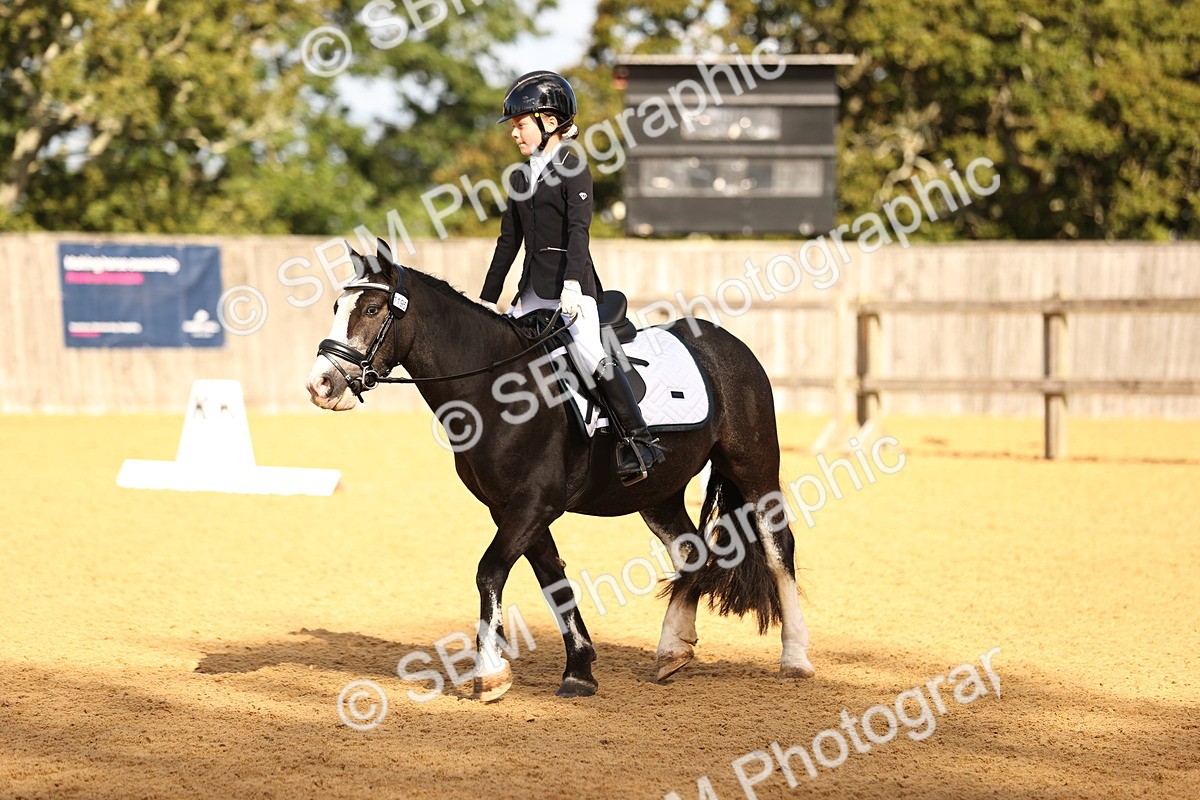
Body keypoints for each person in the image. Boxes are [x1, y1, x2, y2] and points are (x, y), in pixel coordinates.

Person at [480, 70, 664, 486]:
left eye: (520, 125)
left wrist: (573, 287)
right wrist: (489, 298)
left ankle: (639, 442)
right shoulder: (520, 177)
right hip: (529, 292)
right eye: (513, 127)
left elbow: (579, 232)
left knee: (589, 352)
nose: (515, 134)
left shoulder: (573, 168)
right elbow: (508, 242)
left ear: (548, 122)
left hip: (572, 287)